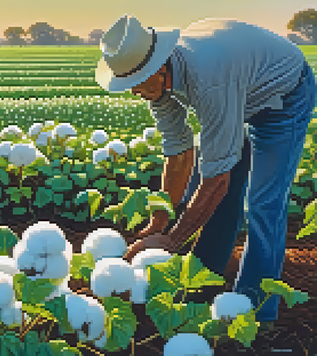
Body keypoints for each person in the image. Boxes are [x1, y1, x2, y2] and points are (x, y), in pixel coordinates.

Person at [94, 14, 316, 327]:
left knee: (265, 204)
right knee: (209, 172)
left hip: (284, 96)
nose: (132, 92)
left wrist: (171, 242)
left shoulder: (209, 81)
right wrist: (160, 219)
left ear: (157, 69)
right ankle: (206, 276)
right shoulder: (159, 82)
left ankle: (254, 312)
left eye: (133, 83)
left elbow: (217, 182)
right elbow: (178, 152)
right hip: (240, 89)